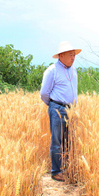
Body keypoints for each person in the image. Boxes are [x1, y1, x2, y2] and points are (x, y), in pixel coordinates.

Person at [40, 41, 81, 182]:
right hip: (57, 108)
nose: (73, 57)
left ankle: (68, 168)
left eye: (74, 55)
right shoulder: (52, 70)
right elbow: (44, 93)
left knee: (70, 140)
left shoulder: (74, 70)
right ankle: (56, 171)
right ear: (61, 55)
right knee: (57, 141)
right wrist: (53, 106)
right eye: (70, 54)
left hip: (71, 109)